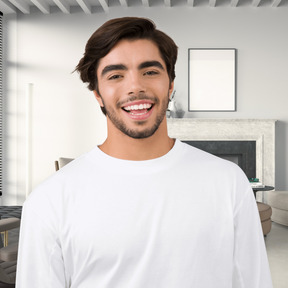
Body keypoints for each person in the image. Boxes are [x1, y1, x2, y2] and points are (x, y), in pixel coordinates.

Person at [16, 17, 273, 287]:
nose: (135, 87)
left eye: (150, 72)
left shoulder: (228, 182)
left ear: (170, 84)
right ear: (98, 95)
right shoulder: (49, 201)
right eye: (116, 75)